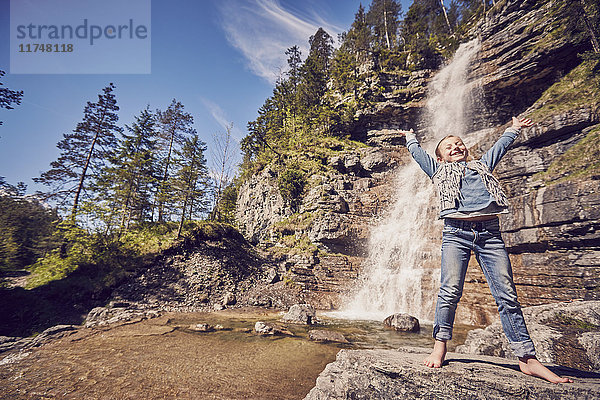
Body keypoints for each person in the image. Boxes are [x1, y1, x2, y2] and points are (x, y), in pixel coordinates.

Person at [397, 117, 572, 383]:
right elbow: (419, 154)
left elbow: (499, 148)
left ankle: (527, 359)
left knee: (507, 294)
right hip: (456, 233)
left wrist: (513, 129)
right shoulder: (437, 170)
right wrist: (410, 138)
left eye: (459, 143)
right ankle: (440, 346)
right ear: (441, 158)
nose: (456, 146)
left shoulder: (481, 167)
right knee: (450, 291)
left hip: (490, 233)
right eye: (448, 146)